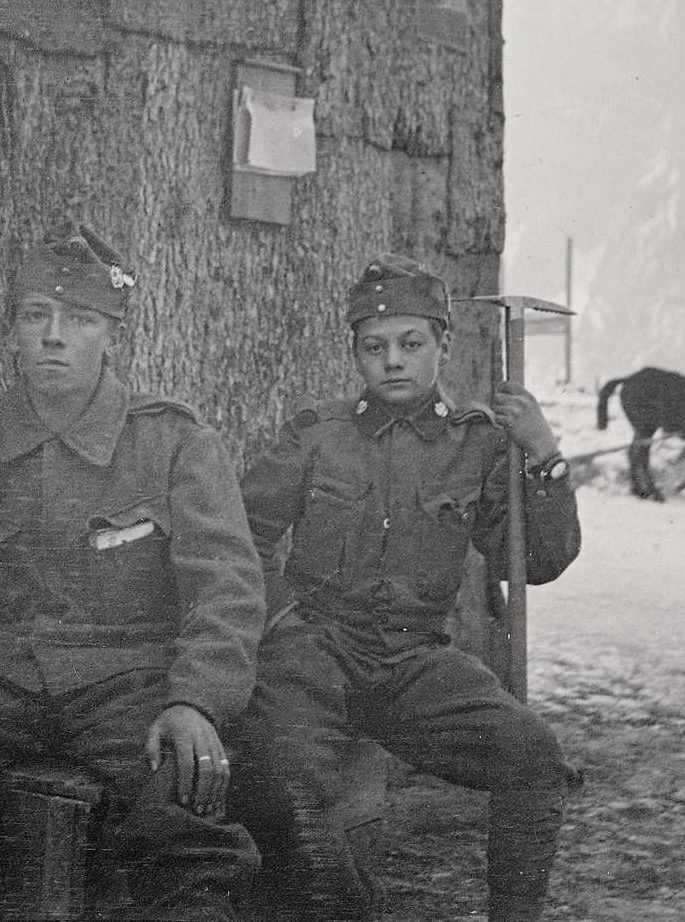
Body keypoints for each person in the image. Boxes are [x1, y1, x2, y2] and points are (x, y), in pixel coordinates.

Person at [0, 222, 266, 921]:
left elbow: (226, 592)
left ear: (113, 335)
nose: (54, 337)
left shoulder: (175, 443)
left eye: (79, 319)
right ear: (12, 333)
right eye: (36, 316)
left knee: (184, 817)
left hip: (130, 683)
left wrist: (196, 701)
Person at [233, 254, 582, 922]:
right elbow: (242, 535)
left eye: (411, 343)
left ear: (442, 345)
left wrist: (543, 455)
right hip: (313, 657)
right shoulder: (316, 436)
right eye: (374, 346)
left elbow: (534, 562)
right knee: (280, 787)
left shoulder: (477, 444)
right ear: (356, 354)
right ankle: (341, 905)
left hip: (413, 663)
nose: (392, 360)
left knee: (531, 755)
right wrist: (280, 624)